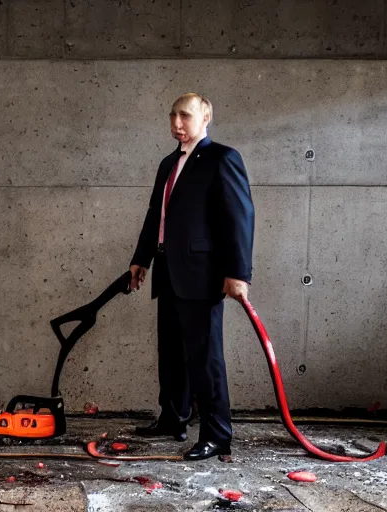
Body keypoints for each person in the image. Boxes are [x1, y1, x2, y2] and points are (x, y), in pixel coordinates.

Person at [129, 93, 255, 461]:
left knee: (205, 356)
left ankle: (217, 435)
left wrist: (237, 273)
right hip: (168, 268)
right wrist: (141, 259)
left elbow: (240, 218)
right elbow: (157, 215)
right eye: (172, 116)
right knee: (170, 351)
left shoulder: (223, 158)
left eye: (184, 115)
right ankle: (173, 419)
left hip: (202, 274)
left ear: (206, 117)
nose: (176, 124)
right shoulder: (168, 162)